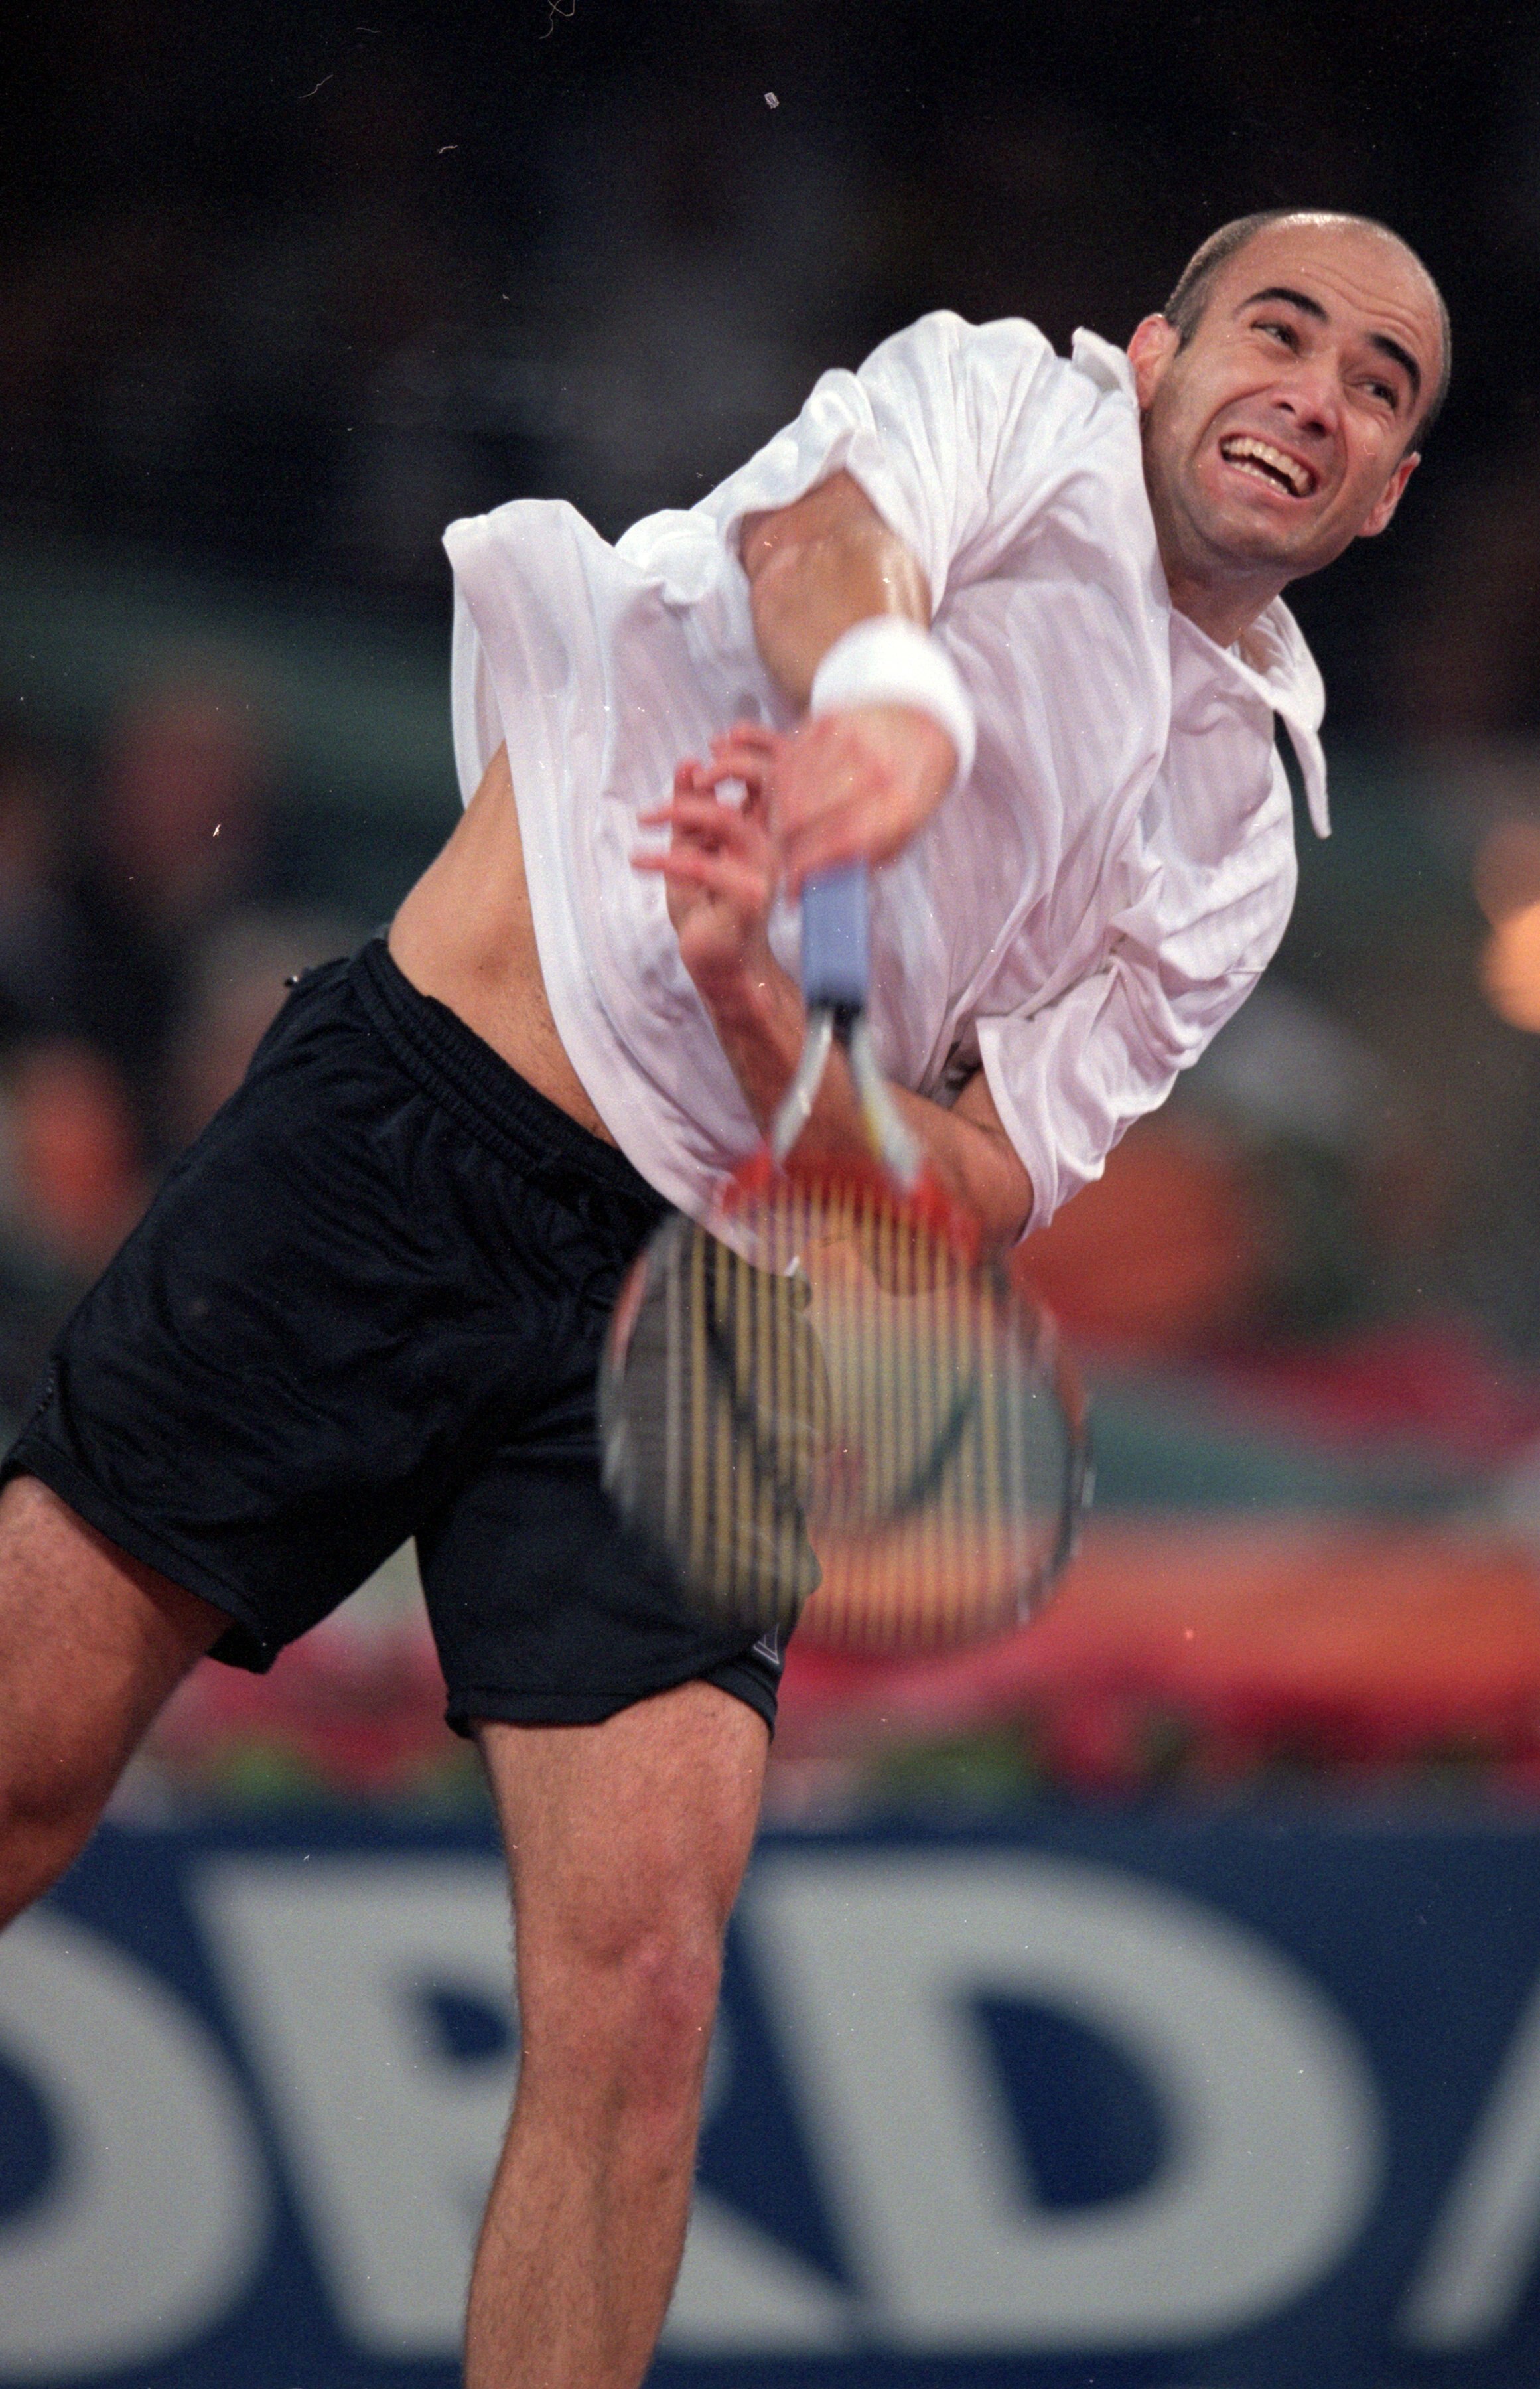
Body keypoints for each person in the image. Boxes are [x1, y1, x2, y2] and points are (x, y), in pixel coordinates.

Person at [0, 209, 1447, 2386]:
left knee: (646, 1996)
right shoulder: (1003, 403)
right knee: (22, 1774)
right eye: (1283, 332)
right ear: (1155, 355)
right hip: (406, 1144)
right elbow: (819, 547)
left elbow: (976, 1181)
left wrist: (784, 1033)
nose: (1314, 396)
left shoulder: (1240, 834)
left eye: (1375, 389)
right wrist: (890, 710)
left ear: (1388, 489)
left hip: (703, 1310)